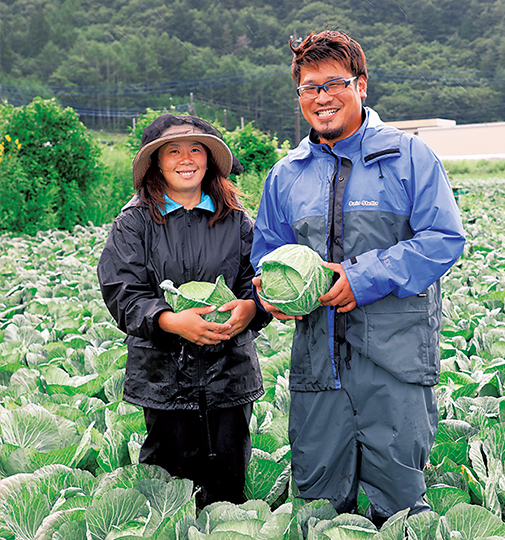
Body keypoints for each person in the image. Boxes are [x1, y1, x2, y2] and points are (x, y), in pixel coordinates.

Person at [250, 30, 466, 525]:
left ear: (361, 85)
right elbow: (266, 258)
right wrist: (271, 294)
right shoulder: (287, 174)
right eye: (309, 87)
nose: (322, 97)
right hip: (316, 368)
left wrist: (361, 277)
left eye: (334, 83)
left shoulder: (410, 156)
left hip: (395, 366)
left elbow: (443, 239)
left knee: (402, 510)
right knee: (319, 509)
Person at [97, 114, 270, 506]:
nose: (185, 158)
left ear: (209, 159)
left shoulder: (238, 222)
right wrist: (170, 320)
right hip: (163, 379)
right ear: (157, 162)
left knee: (228, 498)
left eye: (196, 149)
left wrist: (251, 309)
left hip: (230, 377)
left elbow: (258, 283)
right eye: (173, 151)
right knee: (168, 498)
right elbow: (122, 291)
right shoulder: (134, 223)